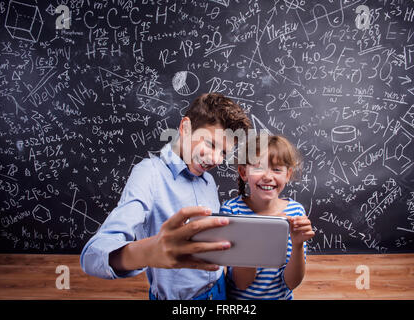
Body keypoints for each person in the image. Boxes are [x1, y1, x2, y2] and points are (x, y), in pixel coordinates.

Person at [80, 93, 251, 300]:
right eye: (211, 144)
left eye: (223, 153)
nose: (215, 159)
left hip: (220, 290)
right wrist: (147, 252)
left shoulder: (208, 181)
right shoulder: (149, 174)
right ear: (185, 128)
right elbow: (92, 256)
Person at [221, 133, 315, 300]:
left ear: (288, 175)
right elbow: (242, 283)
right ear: (243, 172)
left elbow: (291, 283)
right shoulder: (232, 212)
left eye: (277, 169)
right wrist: (257, 242)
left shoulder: (295, 212)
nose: (268, 176)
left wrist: (298, 244)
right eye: (258, 167)